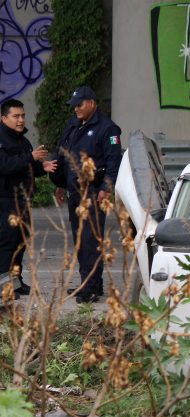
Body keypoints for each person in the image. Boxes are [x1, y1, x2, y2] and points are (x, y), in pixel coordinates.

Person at [50, 86, 122, 304]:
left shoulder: (107, 129)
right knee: (81, 240)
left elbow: (113, 163)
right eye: (74, 106)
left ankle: (89, 287)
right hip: (74, 192)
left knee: (91, 240)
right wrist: (61, 183)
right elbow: (64, 155)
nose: (76, 109)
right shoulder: (73, 125)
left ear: (92, 103)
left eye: (80, 105)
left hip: (93, 192)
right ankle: (91, 283)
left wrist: (106, 189)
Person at [0, 99, 57, 295]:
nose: (21, 120)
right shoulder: (2, 140)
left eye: (23, 115)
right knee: (7, 245)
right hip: (6, 200)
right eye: (16, 116)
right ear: (4, 118)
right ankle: (5, 288)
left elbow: (28, 167)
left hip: (23, 200)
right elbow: (5, 166)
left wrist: (42, 167)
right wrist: (30, 158)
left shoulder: (23, 140)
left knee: (21, 242)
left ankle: (16, 282)